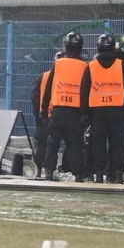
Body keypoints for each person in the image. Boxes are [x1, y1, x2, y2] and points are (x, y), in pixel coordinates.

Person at [80, 34, 124, 184]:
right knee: (117, 144)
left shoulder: (91, 66)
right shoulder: (121, 66)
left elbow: (84, 92)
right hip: (117, 111)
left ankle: (99, 174)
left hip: (97, 112)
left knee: (97, 143)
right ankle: (116, 175)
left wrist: (85, 114)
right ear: (113, 47)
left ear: (98, 47)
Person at [40, 32, 88, 182]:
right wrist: (86, 114)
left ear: (66, 46)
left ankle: (48, 172)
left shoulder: (58, 63)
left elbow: (48, 88)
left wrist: (43, 110)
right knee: (76, 146)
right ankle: (78, 175)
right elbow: (86, 91)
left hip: (58, 110)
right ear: (80, 47)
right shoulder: (84, 66)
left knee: (52, 143)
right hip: (75, 112)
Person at [31, 51, 64, 178]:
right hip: (62, 117)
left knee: (43, 144)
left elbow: (35, 97)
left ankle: (38, 170)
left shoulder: (44, 76)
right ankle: (53, 171)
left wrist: (38, 116)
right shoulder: (69, 78)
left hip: (45, 117)